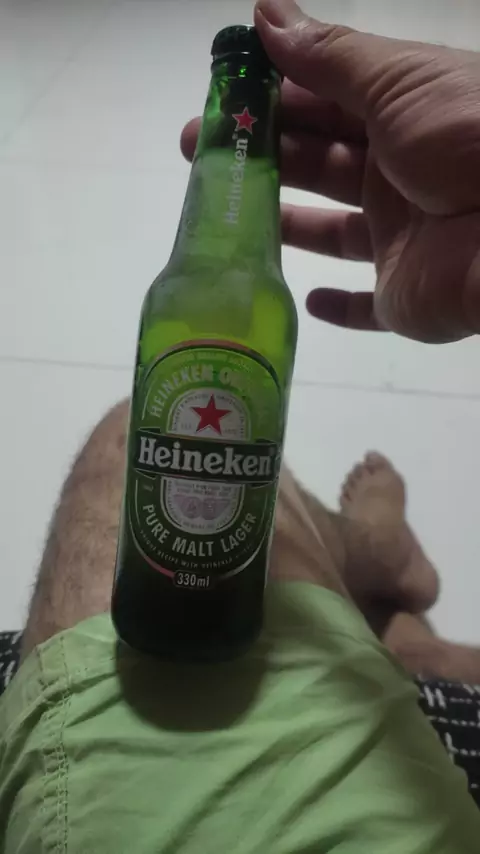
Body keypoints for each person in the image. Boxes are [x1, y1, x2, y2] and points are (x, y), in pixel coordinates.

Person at [2, 0, 480, 850]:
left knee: (130, 435)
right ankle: (400, 613)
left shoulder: (242, 287)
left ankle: (386, 586)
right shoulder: (192, 280)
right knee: (413, 650)